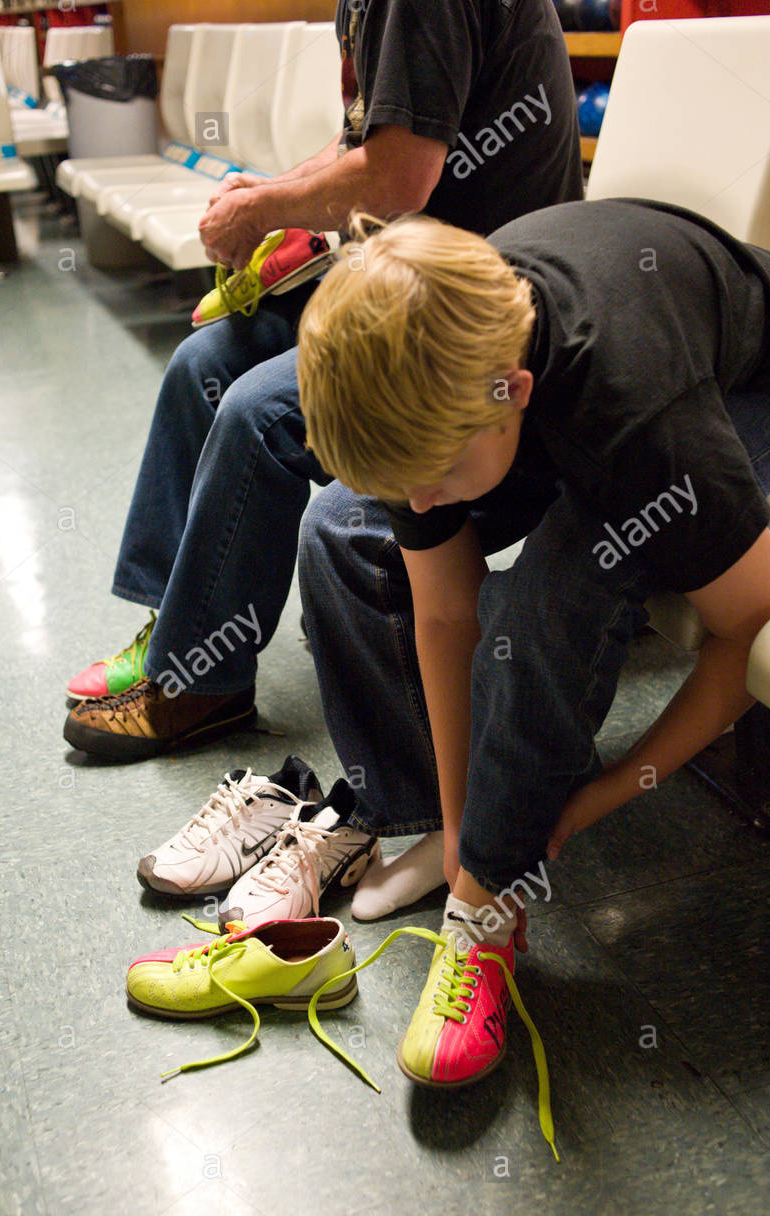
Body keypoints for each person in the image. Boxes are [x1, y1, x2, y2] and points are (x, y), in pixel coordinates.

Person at [294, 200, 770, 1089]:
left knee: (548, 602)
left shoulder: (639, 421)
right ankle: (456, 837)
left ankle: (482, 912)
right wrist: (463, 812)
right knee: (338, 528)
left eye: (430, 480)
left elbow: (747, 640)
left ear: (511, 394)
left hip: (740, 393)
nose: (421, 502)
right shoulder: (430, 374)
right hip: (571, 396)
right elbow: (441, 616)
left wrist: (590, 803)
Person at [63, 0, 582, 764]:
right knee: (204, 365)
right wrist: (266, 195)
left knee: (255, 414)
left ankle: (199, 681)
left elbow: (400, 176)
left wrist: (266, 207)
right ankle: (176, 626)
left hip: (475, 306)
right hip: (402, 272)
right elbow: (363, 136)